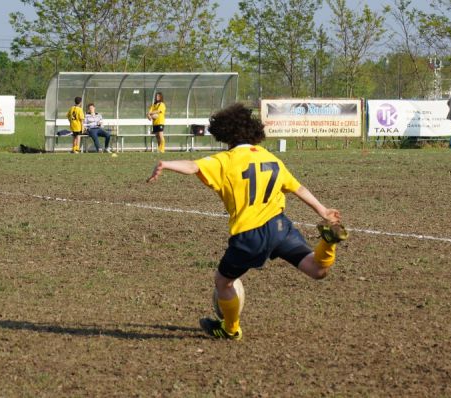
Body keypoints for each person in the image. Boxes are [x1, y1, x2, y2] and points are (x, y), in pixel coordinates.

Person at [147, 103, 348, 341]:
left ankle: (230, 329)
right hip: (280, 226)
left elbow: (193, 166)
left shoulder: (226, 160)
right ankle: (328, 242)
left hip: (250, 234)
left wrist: (166, 164)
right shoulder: (270, 158)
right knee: (317, 269)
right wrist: (323, 211)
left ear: (225, 134)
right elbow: (298, 188)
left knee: (223, 281)